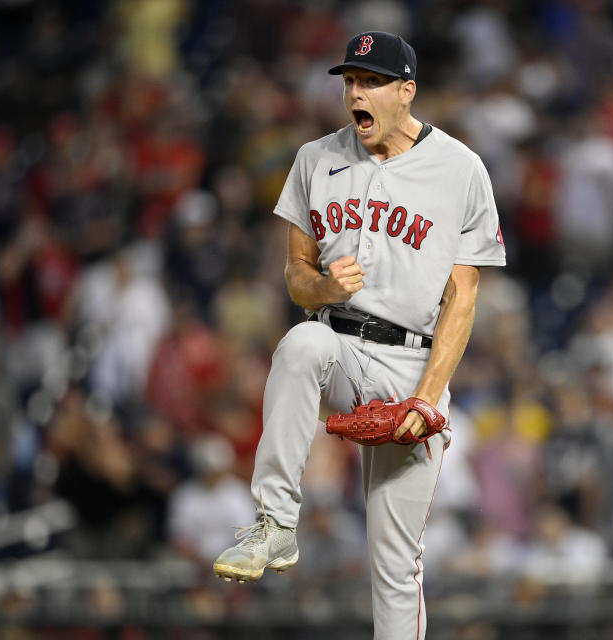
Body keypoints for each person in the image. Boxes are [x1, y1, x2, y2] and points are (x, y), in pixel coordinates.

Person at [213, 31, 505, 639]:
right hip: (339, 347)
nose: (355, 93)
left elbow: (464, 295)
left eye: (371, 81)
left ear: (407, 91)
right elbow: (297, 275)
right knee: (301, 343)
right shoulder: (315, 159)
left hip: (411, 366)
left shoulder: (460, 169)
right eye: (349, 82)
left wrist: (428, 397)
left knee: (396, 565)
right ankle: (276, 523)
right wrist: (324, 290)